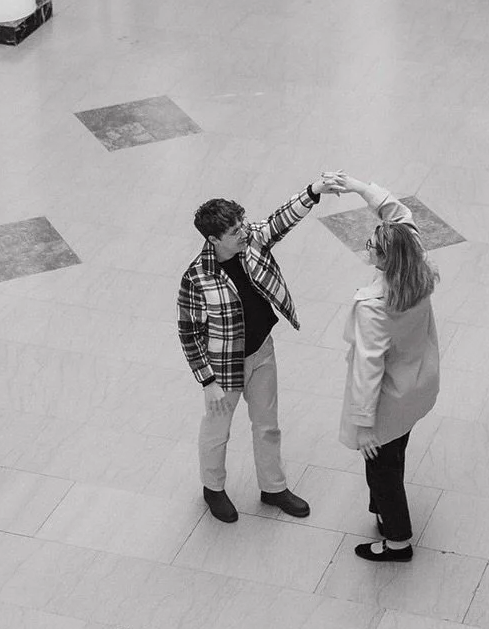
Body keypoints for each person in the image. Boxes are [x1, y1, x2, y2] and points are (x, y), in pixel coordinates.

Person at [178, 174, 343, 523]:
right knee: (217, 432)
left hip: (262, 352)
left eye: (241, 225)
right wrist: (208, 382)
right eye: (234, 231)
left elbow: (279, 222)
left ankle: (273, 488)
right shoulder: (197, 277)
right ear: (213, 239)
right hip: (225, 367)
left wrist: (312, 193)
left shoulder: (251, 241)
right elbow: (189, 333)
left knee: (267, 425)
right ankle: (213, 489)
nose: (243, 233)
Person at [330, 174, 442, 563]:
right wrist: (361, 188)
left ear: (383, 259)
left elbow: (368, 367)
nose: (369, 250)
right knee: (397, 452)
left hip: (388, 399)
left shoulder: (375, 305)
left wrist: (363, 425)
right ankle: (383, 513)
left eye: (373, 247)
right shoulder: (417, 265)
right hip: (416, 387)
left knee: (383, 471)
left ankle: (397, 540)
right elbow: (400, 214)